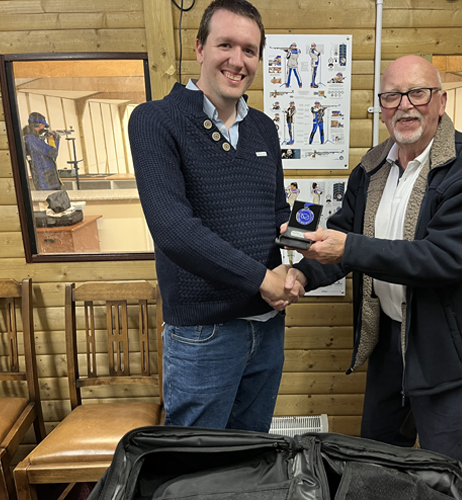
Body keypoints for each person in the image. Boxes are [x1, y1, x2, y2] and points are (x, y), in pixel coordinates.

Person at [284, 55, 462, 468]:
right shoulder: (371, 169)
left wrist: (348, 248)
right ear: (381, 109)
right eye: (391, 96)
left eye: (417, 92)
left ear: (440, 101)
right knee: (378, 463)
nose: (404, 105)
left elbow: (444, 259)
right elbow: (342, 236)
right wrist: (301, 273)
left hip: (448, 350)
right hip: (389, 344)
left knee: (444, 473)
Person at [128, 0, 304, 433]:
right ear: (199, 48)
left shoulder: (264, 128)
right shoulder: (155, 120)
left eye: (249, 50)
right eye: (226, 44)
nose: (237, 60)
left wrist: (294, 267)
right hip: (203, 335)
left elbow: (279, 214)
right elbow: (174, 229)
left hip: (267, 327)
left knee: (252, 455)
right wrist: (263, 279)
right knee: (196, 469)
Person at [22, 112, 63, 190]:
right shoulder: (31, 139)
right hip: (45, 179)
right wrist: (54, 141)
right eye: (44, 125)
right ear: (40, 125)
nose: (44, 127)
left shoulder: (34, 139)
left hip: (47, 177)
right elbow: (53, 153)